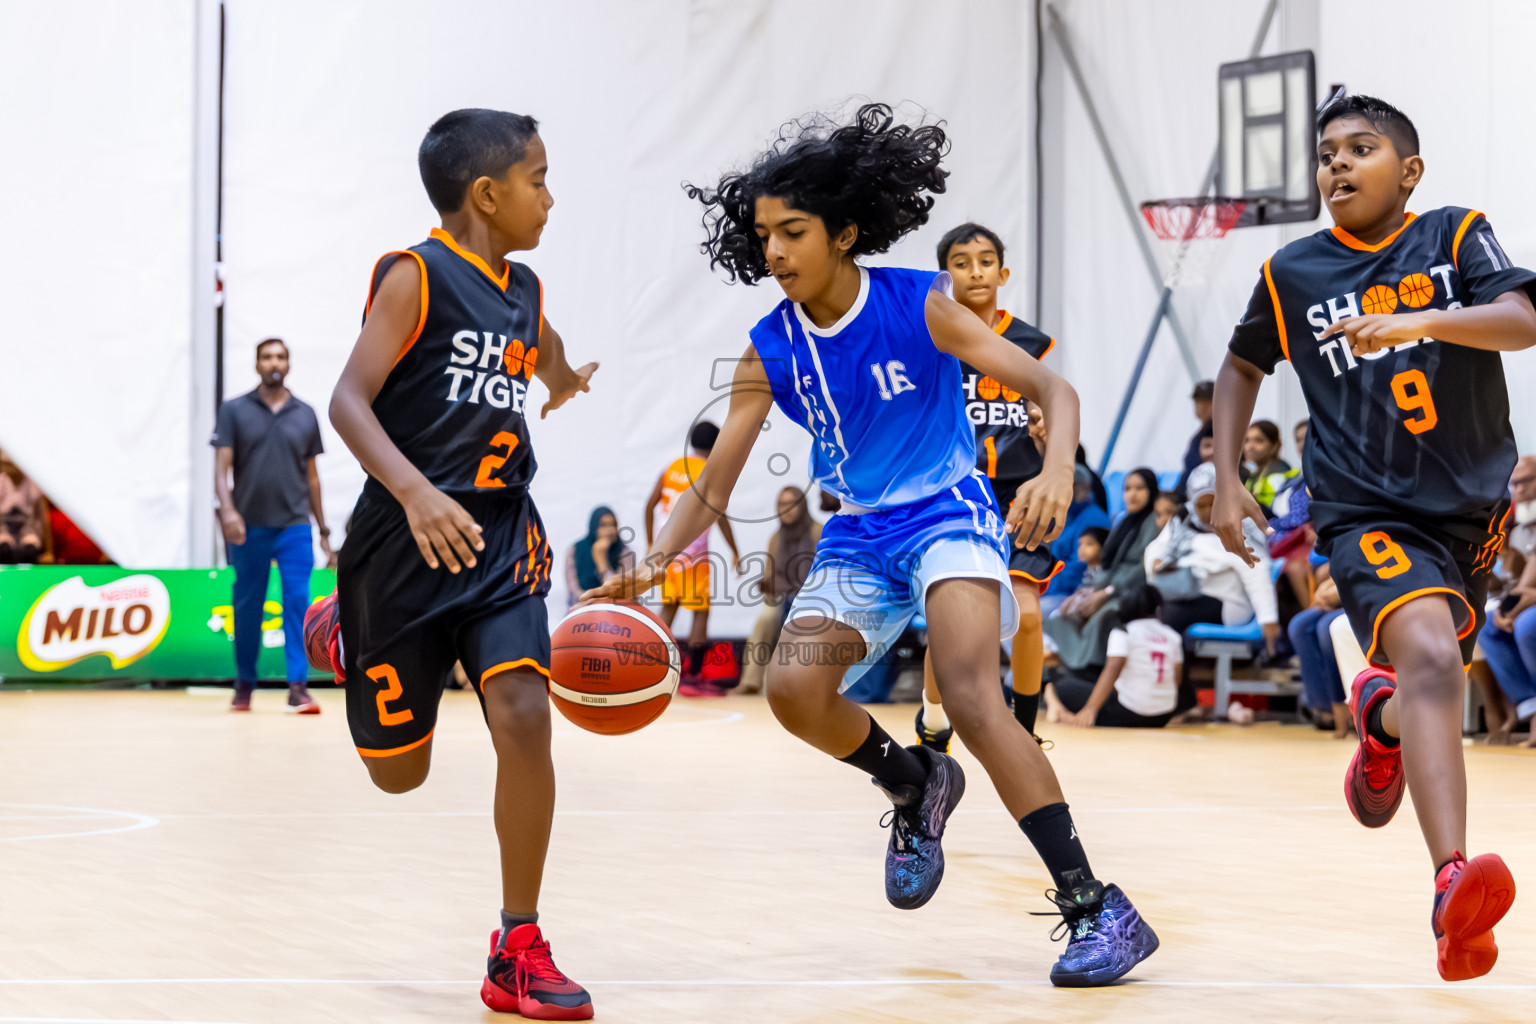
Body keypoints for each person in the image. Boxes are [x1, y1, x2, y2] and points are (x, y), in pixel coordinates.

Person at [586, 102, 1158, 986]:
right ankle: (912, 783)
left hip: (948, 512)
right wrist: (652, 562)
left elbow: (1051, 383)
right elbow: (712, 487)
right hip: (858, 534)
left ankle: (1097, 907)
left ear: (845, 231)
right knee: (792, 689)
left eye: (793, 231)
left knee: (970, 692)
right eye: (763, 234)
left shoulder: (918, 303)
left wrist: (1053, 471)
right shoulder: (767, 350)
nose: (773, 251)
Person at [1213, 93, 1536, 981]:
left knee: (1428, 675)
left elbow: (1522, 320)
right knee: (1432, 656)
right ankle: (1451, 886)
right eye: (1326, 155)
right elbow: (1243, 361)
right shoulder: (1293, 273)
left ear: (1411, 171)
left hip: (1470, 516)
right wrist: (1232, 480)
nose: (1338, 166)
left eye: (1362, 148)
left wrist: (1420, 319)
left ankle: (1380, 723)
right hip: (1364, 513)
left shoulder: (1455, 235)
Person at [308, 108, 599, 1018]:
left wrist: (560, 383)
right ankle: (347, 630)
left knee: (523, 712)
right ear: (487, 193)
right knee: (399, 773)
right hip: (404, 538)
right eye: (538, 179)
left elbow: (540, 351)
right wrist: (415, 491)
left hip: (501, 532)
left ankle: (519, 942)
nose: (550, 196)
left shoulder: (529, 289)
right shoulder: (415, 276)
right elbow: (348, 402)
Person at [915, 221, 1061, 751]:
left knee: (1025, 614)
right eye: (961, 261)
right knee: (954, 629)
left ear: (1002, 272)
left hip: (1017, 496)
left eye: (984, 260)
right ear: (943, 275)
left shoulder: (1028, 344)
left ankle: (1022, 730)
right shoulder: (931, 339)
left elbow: (1051, 416)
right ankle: (933, 721)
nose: (974, 270)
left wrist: (1047, 442)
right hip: (952, 497)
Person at [212, 338, 329, 714]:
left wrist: (323, 530)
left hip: (294, 526)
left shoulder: (306, 413)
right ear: (256, 364)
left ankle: (298, 688)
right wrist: (227, 512)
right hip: (248, 527)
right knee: (248, 607)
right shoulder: (234, 410)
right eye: (266, 356)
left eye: (280, 356)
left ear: (289, 364)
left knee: (298, 603)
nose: (273, 362)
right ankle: (244, 684)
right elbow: (221, 468)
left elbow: (312, 478)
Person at [645, 421, 743, 687]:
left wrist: (651, 544)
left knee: (669, 606)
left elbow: (649, 506)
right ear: (717, 445)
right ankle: (694, 674)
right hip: (694, 554)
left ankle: (652, 666)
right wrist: (735, 551)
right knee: (701, 612)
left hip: (667, 553)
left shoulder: (673, 467)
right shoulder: (709, 473)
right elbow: (720, 516)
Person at [1045, 468, 1163, 675]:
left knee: (1101, 618)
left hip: (1132, 593)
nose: (1132, 494)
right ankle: (1063, 673)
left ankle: (1088, 672)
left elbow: (1143, 568)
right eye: (1127, 489)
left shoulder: (1152, 523)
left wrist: (1107, 592)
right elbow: (1107, 566)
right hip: (1109, 588)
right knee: (1062, 616)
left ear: (1151, 490)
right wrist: (1087, 594)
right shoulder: (1123, 522)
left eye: (1139, 488)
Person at [1146, 463, 1278, 647]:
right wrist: (1158, 561)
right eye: (1202, 505)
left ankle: (1172, 674)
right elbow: (1157, 547)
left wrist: (1268, 619)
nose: (1209, 511)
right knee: (1144, 608)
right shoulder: (1182, 521)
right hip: (1188, 592)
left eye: (1214, 503)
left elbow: (1257, 572)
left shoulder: (1241, 526)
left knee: (1171, 616)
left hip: (1229, 602)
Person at [1044, 583, 1180, 729]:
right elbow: (1176, 678)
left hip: (1130, 713)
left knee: (1060, 686)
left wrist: (1091, 709)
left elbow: (1111, 671)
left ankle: (1060, 711)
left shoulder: (1124, 631)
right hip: (1163, 716)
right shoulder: (1172, 635)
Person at [740, 485, 822, 695]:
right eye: (781, 504)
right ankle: (750, 682)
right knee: (765, 620)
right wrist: (766, 585)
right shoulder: (776, 538)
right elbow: (770, 575)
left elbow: (824, 573)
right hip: (781, 596)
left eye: (791, 504)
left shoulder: (817, 532)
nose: (786, 509)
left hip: (812, 597)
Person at [1287, 571, 1350, 735]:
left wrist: (1339, 593)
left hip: (1368, 588)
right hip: (1342, 585)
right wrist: (1325, 590)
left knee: (1327, 627)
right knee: (1300, 625)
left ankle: (1344, 712)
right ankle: (1324, 709)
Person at [564, 506, 632, 610]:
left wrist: (602, 561)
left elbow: (620, 592)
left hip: (614, 610)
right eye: (603, 525)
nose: (609, 530)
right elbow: (574, 593)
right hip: (582, 610)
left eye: (612, 525)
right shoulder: (575, 550)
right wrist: (594, 603)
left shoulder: (624, 552)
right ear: (594, 526)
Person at [0, 448, 49, 563]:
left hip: (28, 530)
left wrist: (47, 550)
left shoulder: (33, 487)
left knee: (30, 550)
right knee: (4, 550)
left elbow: (42, 520)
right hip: (3, 530)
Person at [1241, 419, 1296, 514]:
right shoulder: (1257, 472)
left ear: (1275, 445)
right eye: (1247, 440)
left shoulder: (1279, 472)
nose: (1250, 446)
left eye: (1259, 441)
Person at [1182, 380, 1215, 476]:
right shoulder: (1203, 431)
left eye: (1205, 402)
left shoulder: (1216, 431)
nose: (1199, 406)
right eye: (1197, 401)